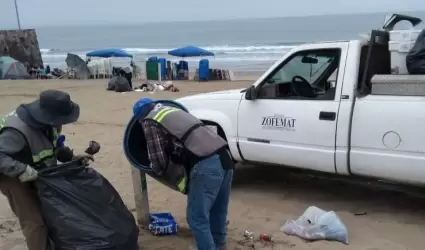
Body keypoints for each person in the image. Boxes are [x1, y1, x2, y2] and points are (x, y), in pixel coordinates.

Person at [132, 98, 234, 250]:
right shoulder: (172, 111)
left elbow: (158, 161)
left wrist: (155, 169)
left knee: (196, 218)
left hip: (205, 163)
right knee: (217, 213)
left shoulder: (148, 121)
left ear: (140, 118)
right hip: (225, 157)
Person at [0, 90, 91, 250]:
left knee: (50, 212)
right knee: (35, 223)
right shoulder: (15, 130)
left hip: (38, 171)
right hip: (11, 176)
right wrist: (21, 170)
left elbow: (53, 147)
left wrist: (71, 157)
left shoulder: (50, 123)